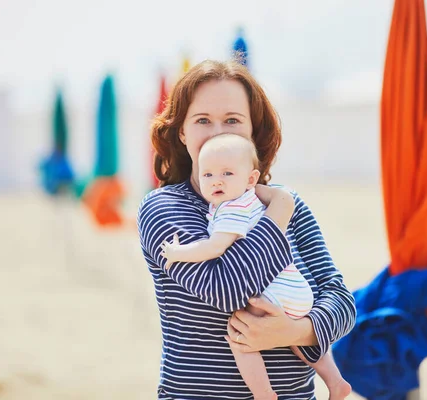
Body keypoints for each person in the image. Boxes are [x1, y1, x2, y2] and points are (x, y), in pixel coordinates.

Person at [137, 59, 356, 400]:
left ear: (253, 131)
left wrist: (298, 331)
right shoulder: (164, 208)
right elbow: (226, 290)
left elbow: (342, 300)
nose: (218, 132)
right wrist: (277, 214)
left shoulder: (288, 202)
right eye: (202, 120)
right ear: (182, 132)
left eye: (233, 120)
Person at [159, 132, 352, 400]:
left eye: (227, 174)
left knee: (240, 337)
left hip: (273, 292)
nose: (216, 181)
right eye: (208, 175)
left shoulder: (231, 208)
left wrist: (178, 252)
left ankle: (263, 393)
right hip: (296, 289)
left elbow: (214, 247)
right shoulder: (258, 200)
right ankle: (334, 379)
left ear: (250, 178)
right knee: (297, 338)